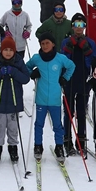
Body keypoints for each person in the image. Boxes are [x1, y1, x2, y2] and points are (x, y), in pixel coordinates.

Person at [25, 32, 75, 163]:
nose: (45, 45)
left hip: (55, 98)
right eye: (42, 43)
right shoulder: (37, 58)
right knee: (39, 124)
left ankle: (59, 147)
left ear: (53, 44)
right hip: (41, 98)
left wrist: (65, 78)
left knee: (57, 125)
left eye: (47, 43)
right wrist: (32, 73)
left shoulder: (60, 58)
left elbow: (71, 66)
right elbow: (26, 67)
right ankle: (38, 146)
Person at [0, 35, 30, 163]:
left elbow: (26, 78)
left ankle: (13, 147)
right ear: (1, 50)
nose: (8, 52)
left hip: (14, 102)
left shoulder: (19, 62)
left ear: (14, 51)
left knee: (13, 127)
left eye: (11, 50)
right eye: (5, 50)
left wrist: (13, 72)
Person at [59, 13, 96, 156]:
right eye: (76, 24)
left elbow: (93, 61)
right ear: (72, 26)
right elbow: (62, 60)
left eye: (81, 25)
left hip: (83, 81)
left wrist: (87, 50)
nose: (79, 28)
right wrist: (69, 48)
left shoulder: (90, 42)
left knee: (81, 112)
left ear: (85, 27)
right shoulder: (66, 42)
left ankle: (81, 141)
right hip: (69, 81)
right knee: (68, 112)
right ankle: (67, 140)